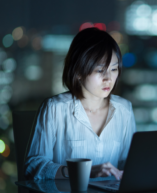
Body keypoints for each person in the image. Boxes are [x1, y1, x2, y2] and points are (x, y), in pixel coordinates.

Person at [24, 27, 136, 180]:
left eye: (114, 69)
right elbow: (34, 166)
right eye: (100, 70)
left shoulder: (124, 110)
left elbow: (129, 165)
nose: (108, 78)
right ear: (78, 72)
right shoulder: (55, 109)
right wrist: (84, 172)